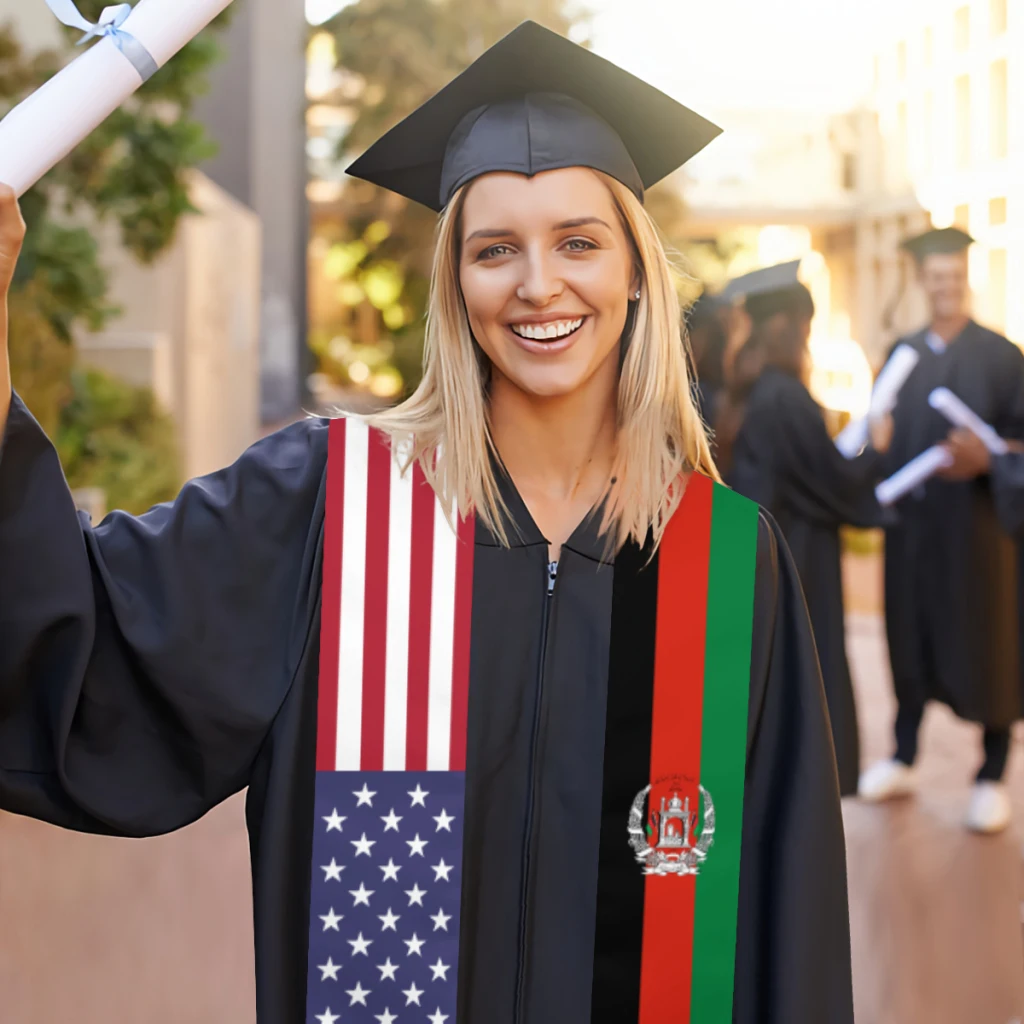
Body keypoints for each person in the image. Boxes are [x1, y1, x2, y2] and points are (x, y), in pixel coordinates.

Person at [0, 22, 853, 1023]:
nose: (538, 284)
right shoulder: (327, 506)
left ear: (635, 272)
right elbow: (82, 648)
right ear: (454, 281)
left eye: (579, 241)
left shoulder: (729, 564)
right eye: (496, 249)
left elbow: (786, 921)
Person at [859, 227, 1024, 834]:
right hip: (914, 533)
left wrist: (990, 459)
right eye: (935, 279)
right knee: (909, 636)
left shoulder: (1003, 356)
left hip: (981, 536)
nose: (945, 287)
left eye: (954, 277)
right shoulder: (902, 356)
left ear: (966, 280)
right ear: (923, 284)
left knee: (992, 642)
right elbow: (878, 442)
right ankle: (904, 756)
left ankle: (991, 773)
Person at [725, 262, 892, 797]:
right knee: (809, 664)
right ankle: (811, 783)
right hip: (798, 552)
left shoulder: (747, 392)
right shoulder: (784, 397)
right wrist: (878, 452)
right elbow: (830, 478)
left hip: (765, 547)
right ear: (790, 328)